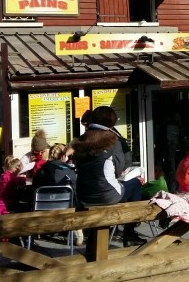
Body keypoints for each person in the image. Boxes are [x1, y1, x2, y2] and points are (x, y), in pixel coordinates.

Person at [71, 105, 146, 247]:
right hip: (106, 194)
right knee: (135, 183)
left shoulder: (81, 139)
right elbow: (119, 170)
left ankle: (96, 243)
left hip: (83, 195)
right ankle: (129, 233)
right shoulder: (112, 139)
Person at [32, 143, 83, 246]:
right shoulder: (70, 171)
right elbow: (75, 191)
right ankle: (79, 237)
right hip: (66, 210)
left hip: (43, 210)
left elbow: (34, 188)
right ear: (63, 156)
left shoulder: (41, 170)